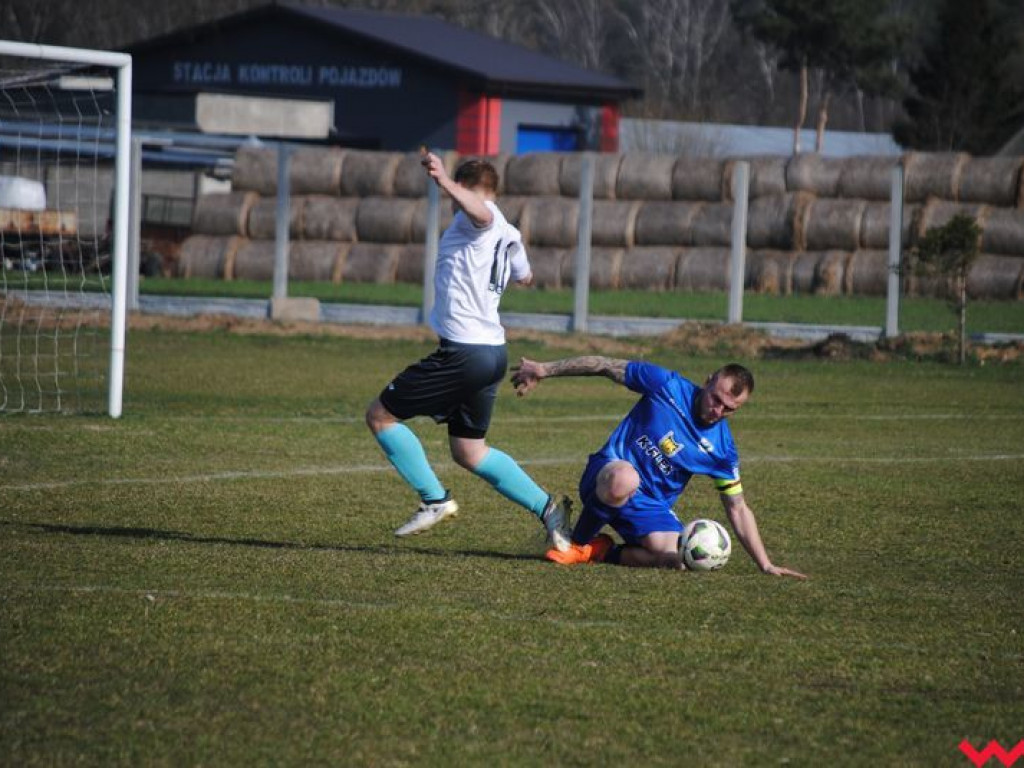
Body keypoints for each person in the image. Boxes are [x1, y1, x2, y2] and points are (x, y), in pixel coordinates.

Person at [365, 152, 572, 551]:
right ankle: (549, 510)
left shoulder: (480, 218)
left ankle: (434, 499)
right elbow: (524, 274)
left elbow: (480, 212)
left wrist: (444, 180)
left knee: (380, 415)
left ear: (471, 191)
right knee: (470, 450)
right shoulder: (510, 233)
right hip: (492, 353)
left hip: (465, 353)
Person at [510, 355, 806, 578]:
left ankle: (603, 551)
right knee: (625, 479)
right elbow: (603, 365)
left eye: (729, 409)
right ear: (708, 380)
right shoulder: (667, 386)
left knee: (678, 559)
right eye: (716, 399)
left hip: (649, 506)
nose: (718, 411)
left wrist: (765, 564)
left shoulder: (722, 450)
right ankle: (578, 542)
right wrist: (544, 370)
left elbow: (738, 508)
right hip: (608, 475)